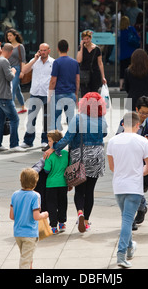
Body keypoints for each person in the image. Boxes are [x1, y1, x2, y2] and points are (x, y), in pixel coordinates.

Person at [44, 92, 107, 233]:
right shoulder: (102, 119)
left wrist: (53, 148)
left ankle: (80, 212)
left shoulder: (77, 119)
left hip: (81, 157)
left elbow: (67, 138)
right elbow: (104, 134)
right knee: (90, 191)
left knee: (80, 190)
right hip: (97, 157)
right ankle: (86, 221)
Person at [107, 112, 148, 268]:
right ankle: (121, 254)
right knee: (127, 220)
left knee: (125, 219)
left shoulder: (113, 141)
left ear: (122, 124)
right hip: (134, 186)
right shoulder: (142, 141)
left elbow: (112, 167)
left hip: (119, 186)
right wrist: (137, 172)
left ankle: (129, 248)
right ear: (137, 125)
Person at [116, 96, 148, 230]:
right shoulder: (125, 121)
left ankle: (141, 208)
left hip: (139, 165)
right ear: (136, 110)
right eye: (142, 112)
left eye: (147, 113)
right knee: (126, 191)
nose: (144, 116)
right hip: (125, 162)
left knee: (135, 190)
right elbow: (116, 138)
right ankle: (132, 218)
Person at [10, 168, 49, 269]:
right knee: (25, 261)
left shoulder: (15, 195)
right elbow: (36, 216)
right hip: (30, 233)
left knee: (26, 257)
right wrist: (44, 215)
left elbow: (12, 216)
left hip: (18, 232)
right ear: (35, 182)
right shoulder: (35, 196)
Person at [0, 43, 26, 152]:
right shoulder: (4, 61)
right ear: (11, 52)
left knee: (0, 119)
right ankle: (14, 145)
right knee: (14, 119)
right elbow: (10, 77)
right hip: (4, 95)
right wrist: (14, 71)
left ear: (2, 49)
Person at [20, 43, 54, 151]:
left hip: (47, 93)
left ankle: (44, 140)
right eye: (41, 50)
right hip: (35, 92)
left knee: (46, 119)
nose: (42, 52)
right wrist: (34, 59)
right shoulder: (35, 61)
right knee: (31, 117)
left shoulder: (53, 62)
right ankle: (28, 141)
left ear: (49, 50)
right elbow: (24, 70)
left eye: (44, 50)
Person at [48, 39, 80, 131]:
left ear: (58, 49)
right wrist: (76, 93)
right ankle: (73, 144)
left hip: (58, 94)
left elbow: (53, 80)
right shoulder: (74, 62)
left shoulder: (57, 62)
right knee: (71, 120)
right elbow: (77, 79)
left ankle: (53, 143)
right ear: (68, 49)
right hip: (70, 93)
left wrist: (50, 94)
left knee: (54, 120)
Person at [43, 130, 69, 234]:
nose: (48, 143)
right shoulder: (66, 154)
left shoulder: (49, 155)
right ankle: (62, 222)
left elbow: (46, 170)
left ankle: (53, 226)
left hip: (51, 184)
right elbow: (69, 167)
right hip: (63, 183)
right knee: (63, 203)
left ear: (56, 142)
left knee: (52, 205)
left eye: (50, 141)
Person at [77, 30, 107, 96]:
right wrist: (81, 47)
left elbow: (100, 63)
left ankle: (93, 106)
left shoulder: (97, 49)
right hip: (84, 74)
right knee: (85, 95)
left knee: (94, 95)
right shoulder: (81, 48)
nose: (86, 41)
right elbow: (79, 60)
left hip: (95, 74)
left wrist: (103, 77)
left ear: (90, 38)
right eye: (84, 39)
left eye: (87, 39)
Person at [5, 28, 27, 114]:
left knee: (12, 89)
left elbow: (23, 60)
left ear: (15, 36)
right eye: (8, 36)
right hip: (8, 69)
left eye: (10, 35)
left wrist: (22, 71)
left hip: (17, 69)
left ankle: (11, 110)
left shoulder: (20, 46)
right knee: (17, 89)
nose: (9, 37)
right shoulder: (7, 46)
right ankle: (23, 106)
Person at [118, 16, 140, 90]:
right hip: (131, 53)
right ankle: (131, 85)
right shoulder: (131, 29)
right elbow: (138, 38)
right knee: (131, 69)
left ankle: (121, 86)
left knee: (122, 70)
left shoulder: (118, 31)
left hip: (122, 54)